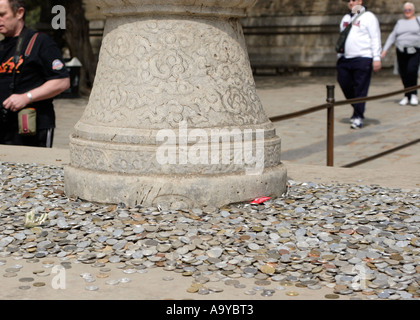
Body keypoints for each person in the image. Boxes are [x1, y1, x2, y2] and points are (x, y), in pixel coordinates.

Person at [0, 0, 70, 148]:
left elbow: (62, 81)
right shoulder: (2, 46)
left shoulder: (40, 42)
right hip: (4, 128)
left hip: (31, 129)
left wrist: (26, 97)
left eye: (2, 14)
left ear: (19, 13)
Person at [336, 0, 382, 129]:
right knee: (344, 83)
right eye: (349, 1)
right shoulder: (345, 18)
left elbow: (375, 38)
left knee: (360, 88)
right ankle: (358, 106)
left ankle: (357, 116)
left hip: (363, 57)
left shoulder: (369, 17)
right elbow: (343, 37)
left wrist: (376, 58)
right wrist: (339, 56)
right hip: (345, 58)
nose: (351, 3)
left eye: (354, 0)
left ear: (360, 1)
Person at [381, 2, 420, 106]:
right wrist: (384, 50)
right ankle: (407, 95)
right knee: (404, 73)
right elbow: (392, 36)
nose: (407, 12)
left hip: (414, 51)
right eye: (405, 10)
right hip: (401, 51)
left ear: (413, 11)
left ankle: (414, 94)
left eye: (409, 10)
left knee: (412, 71)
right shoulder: (400, 22)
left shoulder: (418, 20)